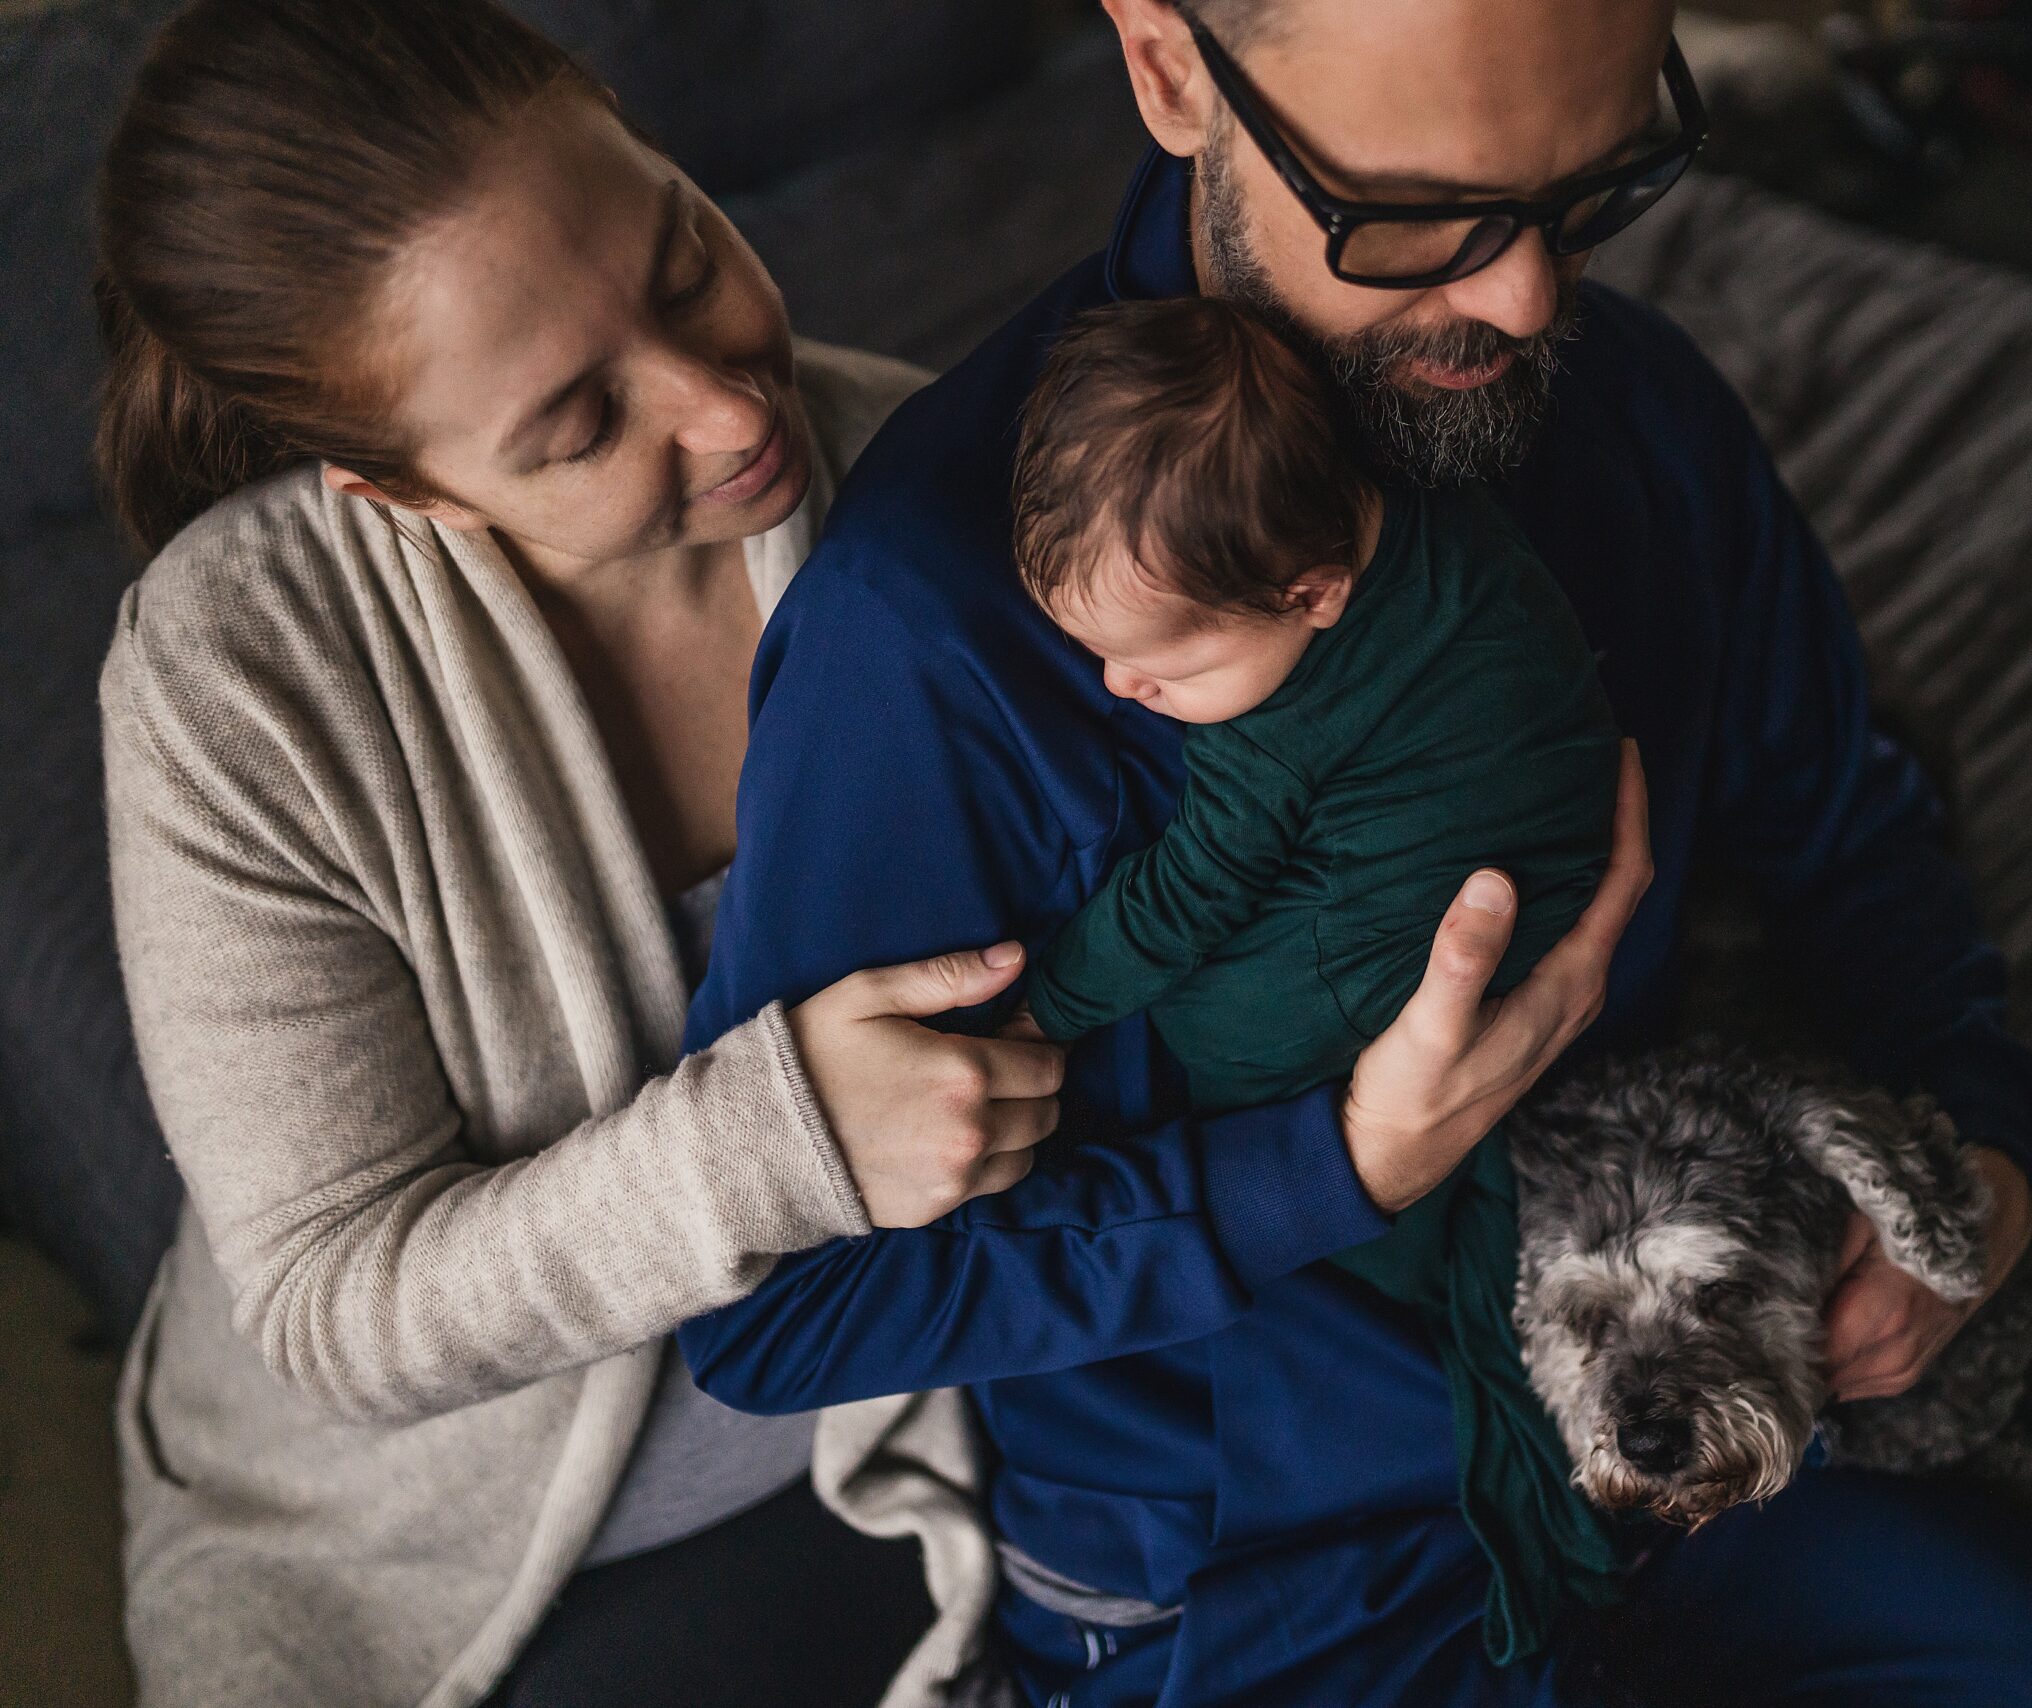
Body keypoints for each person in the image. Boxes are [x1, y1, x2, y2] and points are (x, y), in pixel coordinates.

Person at [677, 0, 2032, 1703]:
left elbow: (1853, 830)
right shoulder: (939, 638)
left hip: (1712, 1457)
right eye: (1418, 213)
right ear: (1166, 69)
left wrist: (1981, 1157)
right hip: (1274, 1592)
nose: (1525, 297)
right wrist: (1335, 1169)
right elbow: (778, 1316)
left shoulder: (1630, 409)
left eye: (1588, 188)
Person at [90, 3, 1579, 1704]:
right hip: (434, 1536)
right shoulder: (241, 676)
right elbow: (337, 1304)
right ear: (398, 491)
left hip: (910, 1441)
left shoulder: (936, 508)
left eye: (683, 260)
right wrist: (776, 1136)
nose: (728, 409)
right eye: (579, 422)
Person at [1012, 295, 1621, 1109]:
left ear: (1314, 596)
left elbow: (1185, 896)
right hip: (1562, 855)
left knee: (1211, 1020)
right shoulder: (1434, 497)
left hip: (1394, 967)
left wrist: (1047, 1006)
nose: (1121, 685)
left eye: (1170, 669)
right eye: (1098, 652)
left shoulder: (1275, 733)